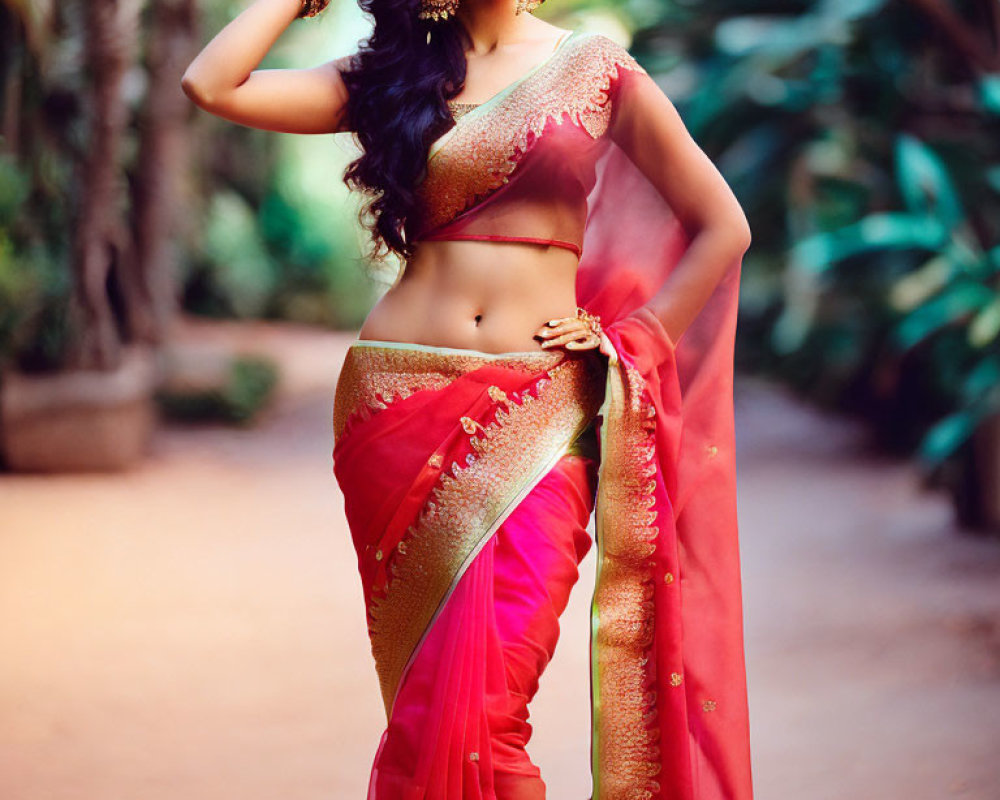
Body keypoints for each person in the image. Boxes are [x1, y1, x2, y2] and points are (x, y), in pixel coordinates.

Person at [182, 0, 754, 796]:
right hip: (395, 405)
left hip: (542, 407)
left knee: (488, 712)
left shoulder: (596, 70)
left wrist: (640, 337)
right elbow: (212, 84)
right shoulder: (387, 77)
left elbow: (722, 224)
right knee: (427, 712)